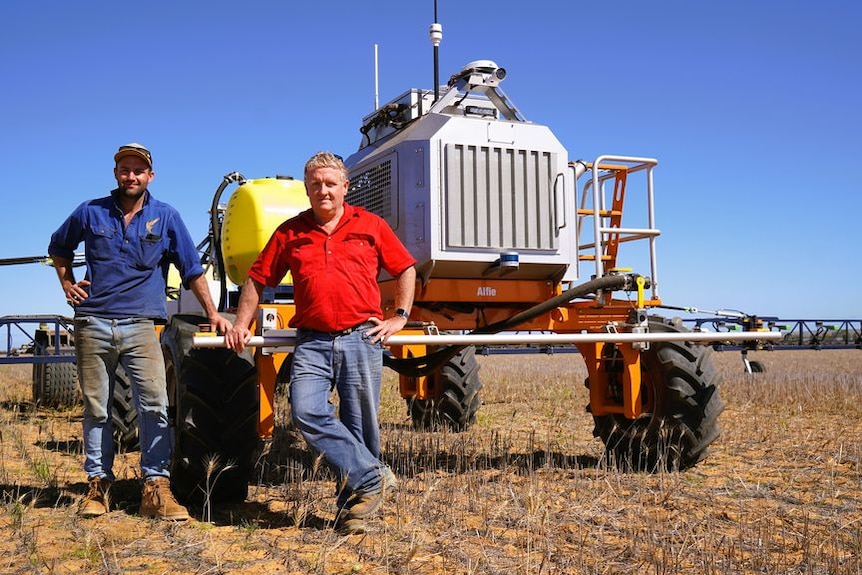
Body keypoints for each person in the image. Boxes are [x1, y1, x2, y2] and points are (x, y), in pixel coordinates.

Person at [225, 151, 416, 534]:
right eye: (316, 184)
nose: (323, 190)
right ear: (307, 190)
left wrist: (400, 316)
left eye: (331, 183)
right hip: (311, 340)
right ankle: (374, 475)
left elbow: (405, 267)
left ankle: (354, 511)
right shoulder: (290, 231)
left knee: (360, 427)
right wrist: (241, 324)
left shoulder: (371, 225)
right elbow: (257, 278)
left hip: (361, 337)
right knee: (306, 411)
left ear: (345, 187)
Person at [48, 142, 233, 521]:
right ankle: (98, 486)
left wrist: (213, 313)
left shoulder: (166, 217)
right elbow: (59, 246)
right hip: (94, 322)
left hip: (142, 325)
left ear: (150, 175)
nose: (131, 176)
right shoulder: (90, 211)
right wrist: (67, 284)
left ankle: (155, 487)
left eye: (138, 170)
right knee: (97, 409)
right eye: (124, 169)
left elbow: (192, 268)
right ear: (116, 173)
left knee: (154, 406)